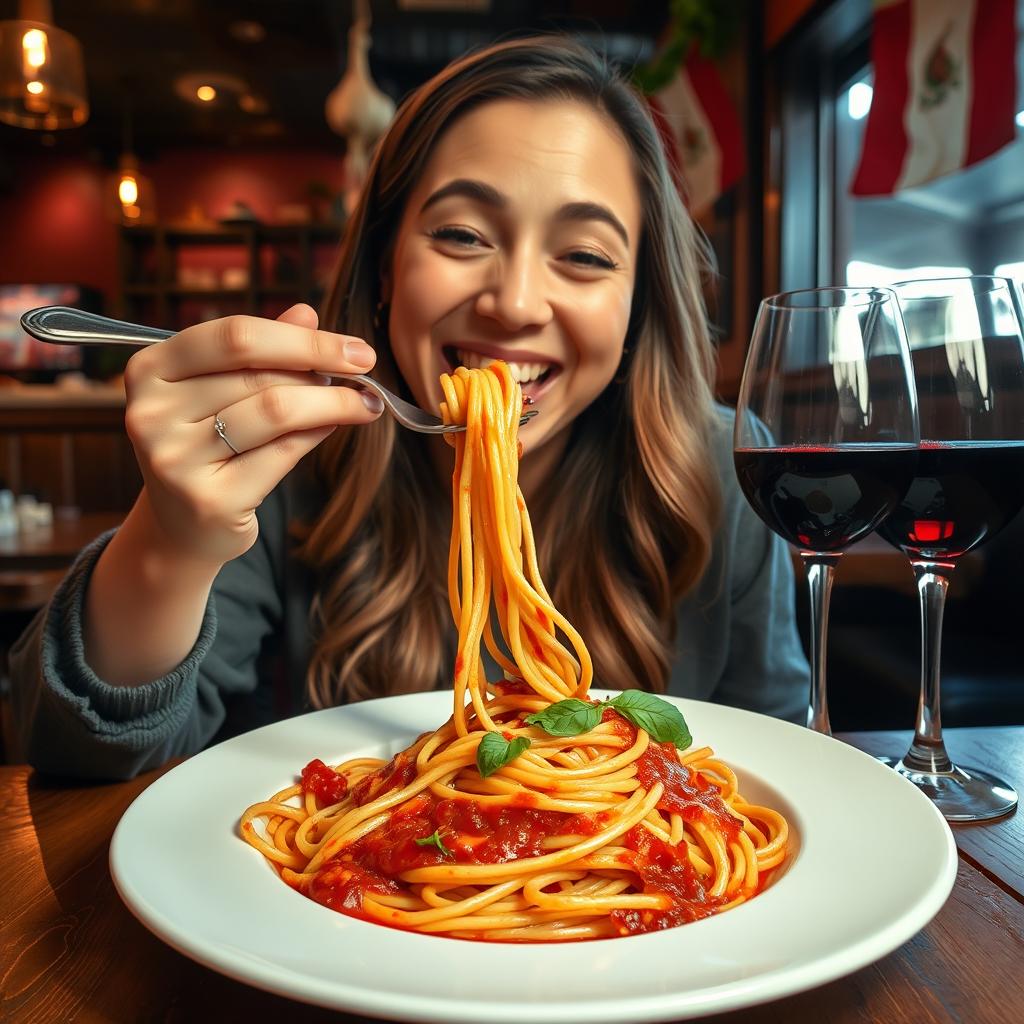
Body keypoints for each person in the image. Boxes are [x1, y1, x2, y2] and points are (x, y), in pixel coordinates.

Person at [8, 35, 808, 780]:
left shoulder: (720, 466)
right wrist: (169, 542)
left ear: (638, 302)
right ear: (386, 267)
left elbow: (774, 760)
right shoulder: (291, 456)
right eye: (462, 235)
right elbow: (66, 755)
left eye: (586, 255)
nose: (517, 302)